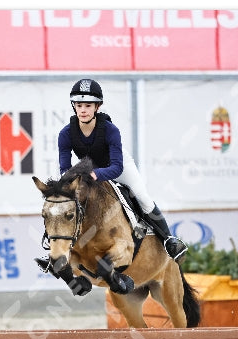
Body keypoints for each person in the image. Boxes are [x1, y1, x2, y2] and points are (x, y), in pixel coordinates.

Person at [47, 78, 188, 262]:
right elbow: (65, 169)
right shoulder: (65, 134)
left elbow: (116, 167)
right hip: (90, 171)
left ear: (97, 107)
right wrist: (71, 185)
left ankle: (169, 240)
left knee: (142, 197)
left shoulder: (110, 130)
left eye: (88, 105)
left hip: (118, 166)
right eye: (79, 105)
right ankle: (58, 248)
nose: (83, 110)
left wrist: (96, 174)